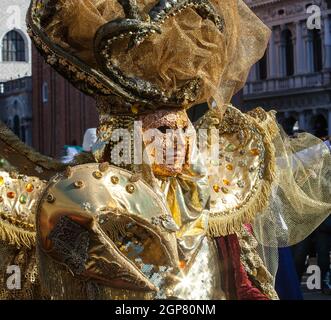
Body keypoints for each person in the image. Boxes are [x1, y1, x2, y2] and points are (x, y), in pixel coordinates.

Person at [0, 0, 330, 300]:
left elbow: (241, 284)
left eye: (183, 130)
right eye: (162, 131)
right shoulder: (84, 202)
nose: (176, 144)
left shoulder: (209, 196)